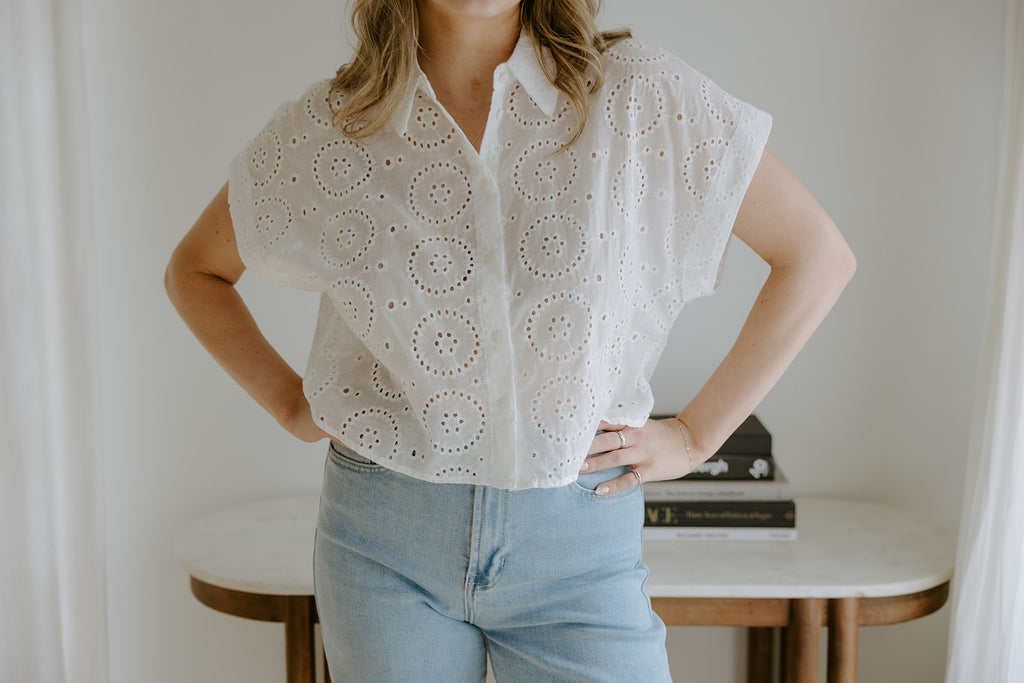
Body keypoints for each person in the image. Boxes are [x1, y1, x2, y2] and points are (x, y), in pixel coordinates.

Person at [165, 0, 856, 679]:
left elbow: (817, 257)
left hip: (579, 541)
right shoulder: (333, 127)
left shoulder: (638, 94)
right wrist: (292, 403)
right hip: (384, 544)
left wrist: (695, 438)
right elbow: (195, 271)